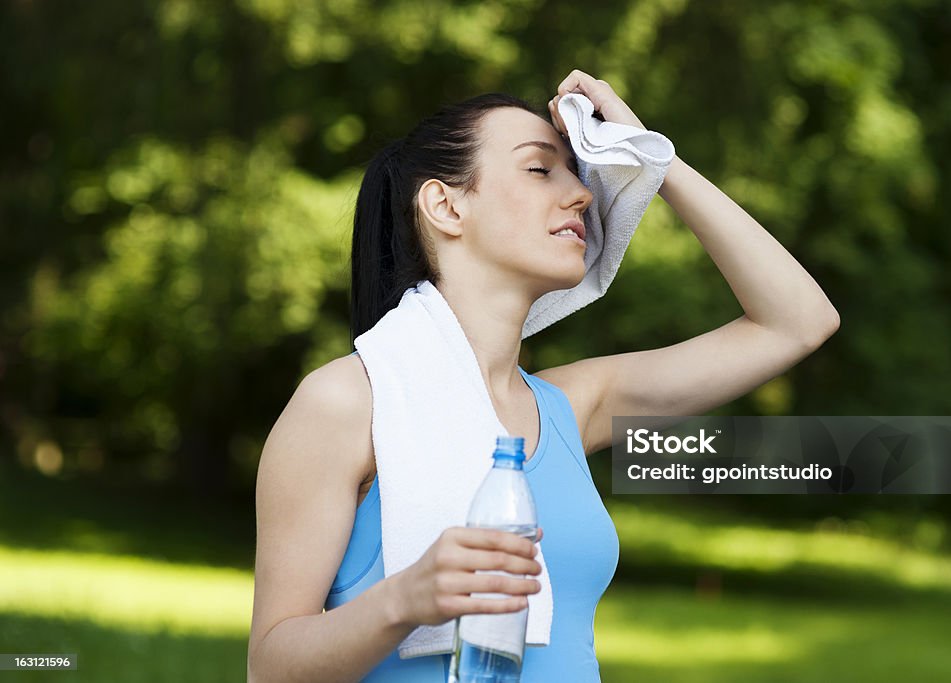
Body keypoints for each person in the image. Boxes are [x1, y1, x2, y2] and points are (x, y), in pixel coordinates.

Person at [246, 69, 840, 682]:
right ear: (446, 205)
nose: (581, 194)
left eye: (577, 174)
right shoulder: (346, 402)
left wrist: (651, 157)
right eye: (539, 169)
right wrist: (406, 599)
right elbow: (270, 668)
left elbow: (798, 321)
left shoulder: (570, 405)